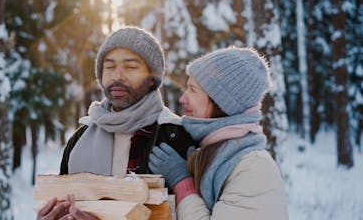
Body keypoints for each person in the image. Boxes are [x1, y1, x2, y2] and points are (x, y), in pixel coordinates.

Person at [37, 26, 196, 220]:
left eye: (130, 67)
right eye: (109, 67)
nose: (117, 76)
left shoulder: (175, 137)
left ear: (152, 79)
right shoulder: (80, 138)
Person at [149, 46, 289, 219]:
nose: (182, 98)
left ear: (221, 103)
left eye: (193, 89)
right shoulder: (210, 152)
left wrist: (182, 182)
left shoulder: (253, 167)